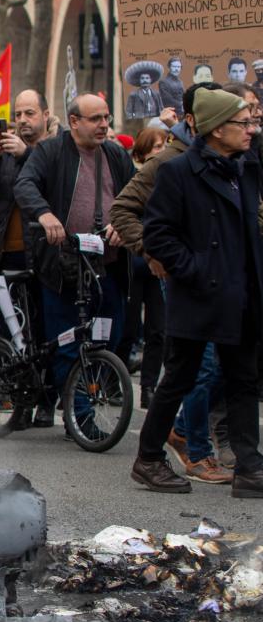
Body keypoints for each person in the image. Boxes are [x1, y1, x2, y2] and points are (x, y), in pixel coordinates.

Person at [130, 90, 263, 497]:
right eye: (243, 123)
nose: (251, 130)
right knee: (180, 377)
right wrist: (197, 271)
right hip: (200, 294)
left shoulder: (246, 167)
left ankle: (250, 467)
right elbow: (158, 234)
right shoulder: (178, 171)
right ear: (217, 128)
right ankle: (148, 459)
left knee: (243, 379)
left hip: (242, 292)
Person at [14, 94, 134, 438]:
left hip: (107, 267)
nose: (103, 125)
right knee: (68, 343)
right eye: (95, 119)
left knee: (109, 336)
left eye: (106, 118)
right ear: (74, 121)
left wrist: (124, 223)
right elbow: (24, 184)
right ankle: (79, 417)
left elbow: (137, 195)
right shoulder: (51, 151)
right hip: (63, 268)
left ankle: (87, 399)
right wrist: (44, 213)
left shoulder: (115, 154)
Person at [0, 88, 55, 426]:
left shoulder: (54, 149)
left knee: (44, 330)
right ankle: (19, 402)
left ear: (45, 115)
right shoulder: (6, 152)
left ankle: (47, 400)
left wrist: (27, 155)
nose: (22, 121)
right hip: (5, 253)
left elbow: (52, 187)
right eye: (17, 115)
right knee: (12, 332)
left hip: (42, 255)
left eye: (29, 113)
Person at [115, 128, 168, 410]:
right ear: (142, 152)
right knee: (129, 326)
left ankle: (149, 387)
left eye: (164, 145)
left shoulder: (170, 177)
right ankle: (117, 380)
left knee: (157, 330)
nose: (161, 151)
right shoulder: (135, 178)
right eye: (156, 146)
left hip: (159, 265)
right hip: (135, 262)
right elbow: (122, 212)